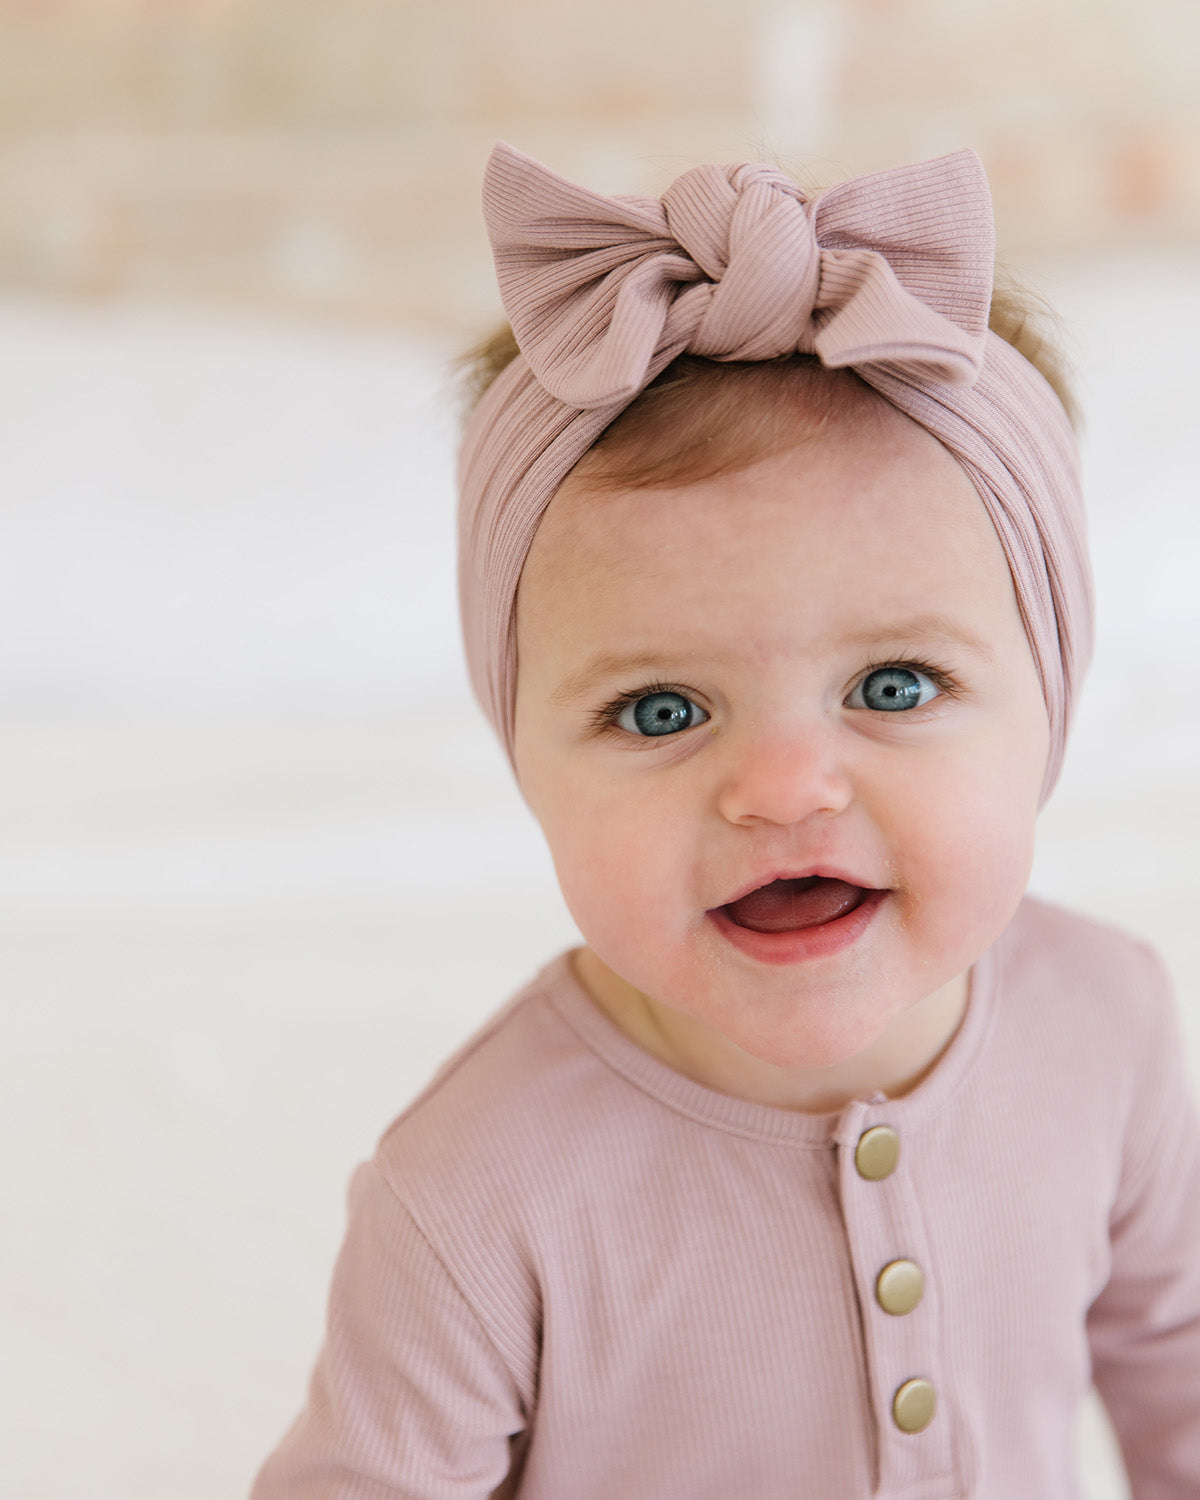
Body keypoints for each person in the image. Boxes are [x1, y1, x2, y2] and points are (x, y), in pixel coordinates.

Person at [251, 144, 1200, 1498]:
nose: (783, 788)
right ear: (520, 752)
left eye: (893, 686)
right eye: (658, 711)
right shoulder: (475, 1190)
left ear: (1051, 699)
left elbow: (1176, 1362)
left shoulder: (1109, 1023)